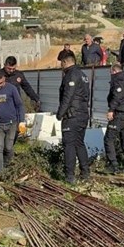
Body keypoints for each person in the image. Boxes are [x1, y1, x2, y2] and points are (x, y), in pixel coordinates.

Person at [56, 53, 90, 184]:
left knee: (69, 145)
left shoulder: (71, 75)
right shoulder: (83, 75)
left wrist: (60, 114)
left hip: (72, 116)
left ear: (65, 62)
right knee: (79, 143)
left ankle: (70, 176)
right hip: (83, 115)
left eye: (61, 63)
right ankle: (85, 172)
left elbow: (67, 97)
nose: (60, 66)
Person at [0, 69, 25, 174]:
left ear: (4, 80)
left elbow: (19, 105)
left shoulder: (11, 89)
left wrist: (21, 121)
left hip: (11, 124)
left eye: (1, 83)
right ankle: (1, 173)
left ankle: (10, 167)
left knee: (8, 148)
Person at [103, 63, 124, 174]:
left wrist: (111, 110)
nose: (111, 75)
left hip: (119, 114)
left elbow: (117, 97)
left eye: (111, 73)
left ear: (115, 71)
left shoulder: (119, 81)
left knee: (109, 139)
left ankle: (113, 165)